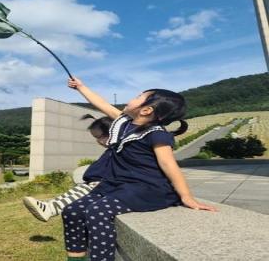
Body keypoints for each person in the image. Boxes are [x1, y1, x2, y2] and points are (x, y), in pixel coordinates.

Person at [63, 77, 219, 261]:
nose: (132, 98)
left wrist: (187, 197)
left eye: (138, 96)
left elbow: (169, 165)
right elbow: (102, 105)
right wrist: (81, 87)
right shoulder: (124, 123)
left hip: (146, 188)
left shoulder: (157, 134)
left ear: (146, 110)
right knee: (72, 211)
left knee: (97, 212)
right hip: (116, 185)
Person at [22, 114, 113, 222]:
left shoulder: (119, 150)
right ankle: (49, 205)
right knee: (78, 189)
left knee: (86, 189)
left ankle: (51, 209)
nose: (98, 141)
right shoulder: (111, 150)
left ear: (112, 132)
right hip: (98, 182)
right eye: (96, 138)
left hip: (106, 186)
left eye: (100, 137)